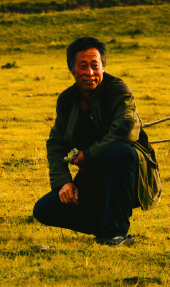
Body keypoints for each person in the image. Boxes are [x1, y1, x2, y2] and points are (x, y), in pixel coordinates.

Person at [32, 37, 160, 246]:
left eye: (95, 66)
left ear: (103, 67)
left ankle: (115, 233)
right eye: (83, 67)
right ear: (72, 69)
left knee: (118, 150)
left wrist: (88, 154)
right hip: (94, 177)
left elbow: (124, 131)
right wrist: (64, 182)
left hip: (131, 177)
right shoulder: (66, 100)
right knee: (44, 210)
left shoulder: (120, 92)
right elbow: (56, 144)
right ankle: (105, 227)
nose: (90, 73)